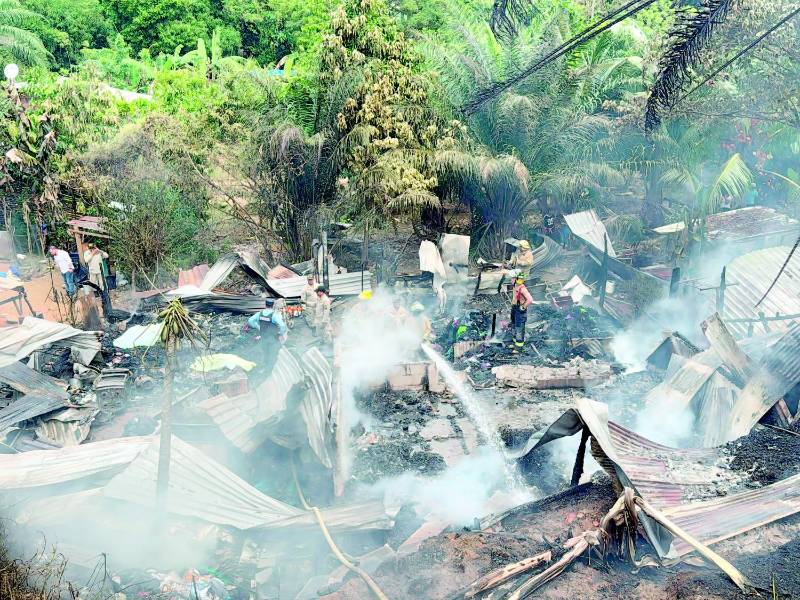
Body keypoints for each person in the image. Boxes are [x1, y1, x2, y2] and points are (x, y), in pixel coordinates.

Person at [247, 298, 288, 375]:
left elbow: (250, 321)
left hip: (264, 338)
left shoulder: (260, 313)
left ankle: (265, 369)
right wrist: (280, 334)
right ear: (273, 306)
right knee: (274, 354)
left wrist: (258, 327)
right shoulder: (275, 315)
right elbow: (282, 326)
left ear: (265, 305)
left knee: (265, 353)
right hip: (273, 339)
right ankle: (272, 371)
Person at [510, 273, 533, 348]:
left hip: (520, 310)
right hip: (514, 308)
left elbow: (530, 300)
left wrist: (523, 307)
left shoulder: (522, 289)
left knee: (519, 328)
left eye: (513, 278)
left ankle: (519, 347)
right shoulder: (514, 285)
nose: (511, 279)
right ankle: (514, 342)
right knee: (513, 325)